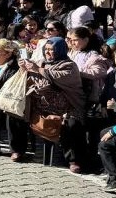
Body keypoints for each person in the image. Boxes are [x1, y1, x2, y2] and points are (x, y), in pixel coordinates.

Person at [19, 36, 87, 173]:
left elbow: (57, 76)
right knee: (16, 114)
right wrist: (24, 69)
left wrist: (37, 69)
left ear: (60, 50)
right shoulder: (42, 63)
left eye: (52, 49)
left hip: (69, 107)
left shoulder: (69, 65)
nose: (49, 53)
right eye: (47, 50)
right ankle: (18, 150)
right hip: (42, 106)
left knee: (71, 123)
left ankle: (73, 160)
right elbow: (30, 79)